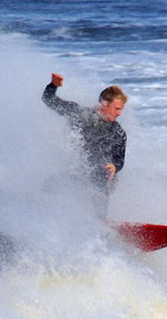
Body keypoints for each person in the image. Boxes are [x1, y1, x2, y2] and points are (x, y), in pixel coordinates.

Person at [42, 73, 127, 216]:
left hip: (105, 177)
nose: (119, 114)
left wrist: (115, 167)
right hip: (82, 173)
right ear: (104, 103)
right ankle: (47, 211)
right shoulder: (81, 114)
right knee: (52, 183)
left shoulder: (118, 132)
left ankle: (100, 220)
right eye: (117, 109)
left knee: (101, 173)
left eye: (121, 110)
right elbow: (49, 99)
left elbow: (119, 160)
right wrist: (53, 86)